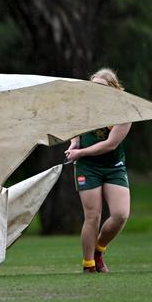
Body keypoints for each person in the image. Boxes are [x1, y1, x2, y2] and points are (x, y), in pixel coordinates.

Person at [64, 68, 132, 273]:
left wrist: (80, 152)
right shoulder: (84, 107)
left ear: (113, 88)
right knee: (92, 216)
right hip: (88, 167)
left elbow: (110, 144)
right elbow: (75, 128)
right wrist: (74, 143)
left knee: (120, 214)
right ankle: (88, 265)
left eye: (101, 87)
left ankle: (98, 250)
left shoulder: (124, 111)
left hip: (113, 167)